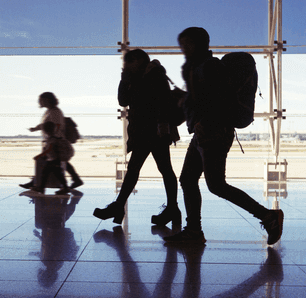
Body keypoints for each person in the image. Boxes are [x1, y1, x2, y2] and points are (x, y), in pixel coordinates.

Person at [164, 27, 283, 245]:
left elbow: (220, 101)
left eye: (187, 44)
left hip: (214, 133)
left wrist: (201, 119)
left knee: (216, 185)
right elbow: (198, 101)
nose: (183, 48)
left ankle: (268, 216)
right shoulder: (198, 67)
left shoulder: (211, 67)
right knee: (189, 180)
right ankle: (193, 231)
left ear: (199, 44)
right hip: (202, 133)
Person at [94, 48, 181, 226]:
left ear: (140, 60)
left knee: (144, 169)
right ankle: (172, 209)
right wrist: (124, 79)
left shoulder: (155, 75)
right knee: (160, 169)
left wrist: (162, 126)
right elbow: (123, 101)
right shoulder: (134, 78)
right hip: (144, 130)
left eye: (128, 62)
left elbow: (161, 101)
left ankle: (119, 207)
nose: (125, 65)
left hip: (154, 130)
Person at [21, 92, 82, 194]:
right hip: (53, 141)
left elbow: (54, 126)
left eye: (41, 99)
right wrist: (35, 129)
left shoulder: (54, 112)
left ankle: (39, 184)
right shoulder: (50, 111)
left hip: (54, 142)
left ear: (47, 100)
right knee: (57, 164)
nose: (39, 102)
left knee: (50, 163)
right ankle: (75, 180)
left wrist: (51, 139)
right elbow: (46, 125)